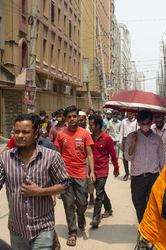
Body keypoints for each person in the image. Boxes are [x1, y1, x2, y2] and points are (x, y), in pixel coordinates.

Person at [0, 113, 70, 250]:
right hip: (17, 231)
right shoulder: (4, 159)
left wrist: (41, 191)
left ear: (35, 134)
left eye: (25, 132)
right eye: (17, 131)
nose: (20, 135)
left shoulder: (52, 157)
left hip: (43, 228)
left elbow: (65, 185)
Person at [54, 105, 96, 247]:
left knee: (83, 203)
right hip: (65, 175)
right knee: (68, 204)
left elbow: (90, 153)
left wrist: (91, 171)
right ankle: (72, 232)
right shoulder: (61, 134)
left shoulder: (85, 133)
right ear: (66, 118)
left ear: (78, 117)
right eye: (69, 117)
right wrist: (56, 173)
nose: (72, 119)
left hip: (81, 173)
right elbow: (57, 155)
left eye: (74, 116)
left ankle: (81, 215)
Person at [124, 109, 165, 224]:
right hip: (138, 177)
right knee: (139, 204)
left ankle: (149, 230)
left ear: (151, 122)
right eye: (143, 123)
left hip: (153, 176)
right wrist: (133, 143)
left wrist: (165, 176)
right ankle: (142, 226)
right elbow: (128, 157)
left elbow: (162, 159)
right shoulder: (131, 137)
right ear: (138, 122)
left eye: (148, 123)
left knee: (153, 205)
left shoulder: (157, 139)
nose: (145, 126)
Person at [88, 115, 119, 228]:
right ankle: (108, 207)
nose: (89, 126)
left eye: (91, 125)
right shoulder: (89, 138)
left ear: (97, 126)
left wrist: (116, 167)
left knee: (99, 193)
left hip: (103, 170)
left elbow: (113, 154)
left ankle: (96, 218)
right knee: (100, 191)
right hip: (92, 170)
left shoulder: (107, 138)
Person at [119, 112, 137, 181]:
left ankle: (133, 173)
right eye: (129, 113)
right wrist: (120, 142)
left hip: (133, 139)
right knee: (125, 158)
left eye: (131, 113)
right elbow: (121, 131)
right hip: (125, 140)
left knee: (133, 157)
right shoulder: (124, 121)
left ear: (133, 114)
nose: (130, 115)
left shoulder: (136, 122)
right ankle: (126, 173)